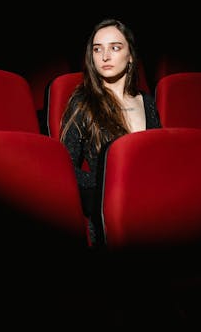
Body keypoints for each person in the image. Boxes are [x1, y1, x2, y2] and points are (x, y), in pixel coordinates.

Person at [60, 18, 162, 246]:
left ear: (131, 56)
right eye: (98, 49)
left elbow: (160, 160)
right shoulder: (82, 102)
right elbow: (65, 168)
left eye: (115, 47)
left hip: (153, 204)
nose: (105, 56)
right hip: (107, 208)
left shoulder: (147, 102)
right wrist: (107, 184)